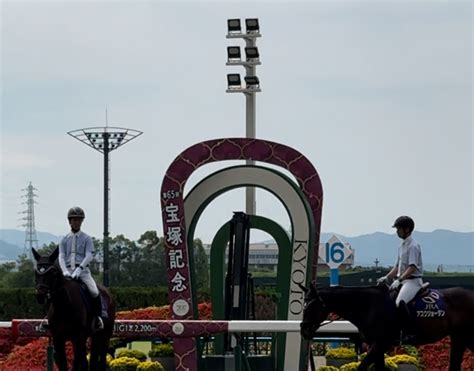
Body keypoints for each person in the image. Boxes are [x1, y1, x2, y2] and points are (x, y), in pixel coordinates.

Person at [377, 216, 423, 340]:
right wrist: (386, 277)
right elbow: (397, 267)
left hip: (412, 281)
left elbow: (412, 267)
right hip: (402, 280)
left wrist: (399, 280)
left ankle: (409, 331)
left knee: (399, 302)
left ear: (407, 229)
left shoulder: (413, 246)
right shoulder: (401, 246)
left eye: (398, 229)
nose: (397, 231)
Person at [58, 206, 104, 332]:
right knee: (53, 291)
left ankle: (98, 317)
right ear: (70, 221)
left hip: (83, 272)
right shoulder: (64, 239)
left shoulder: (87, 238)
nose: (76, 222)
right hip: (67, 271)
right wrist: (65, 271)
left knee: (94, 291)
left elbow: (89, 255)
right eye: (74, 220)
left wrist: (80, 269)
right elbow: (61, 256)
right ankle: (48, 318)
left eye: (79, 220)